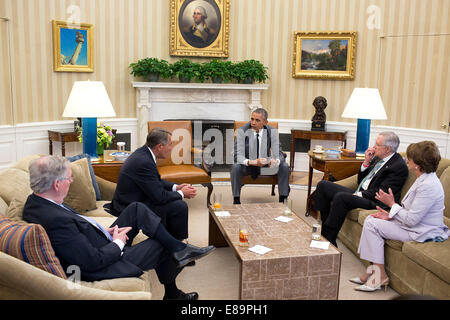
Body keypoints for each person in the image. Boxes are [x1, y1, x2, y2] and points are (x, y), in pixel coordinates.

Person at [22, 155, 214, 300]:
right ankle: (174, 288)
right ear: (57, 184)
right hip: (105, 263)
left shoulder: (38, 202)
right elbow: (91, 262)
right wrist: (118, 243)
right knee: (161, 243)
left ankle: (181, 251)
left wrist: (106, 232)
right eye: (69, 179)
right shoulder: (55, 220)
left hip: (98, 241)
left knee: (137, 209)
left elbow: (77, 231)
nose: (71, 183)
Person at [351, 141, 449, 292]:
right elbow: (411, 211)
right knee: (372, 219)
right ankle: (372, 271)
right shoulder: (423, 179)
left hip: (422, 230)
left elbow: (412, 220)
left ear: (417, 164)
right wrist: (390, 216)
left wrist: (391, 204)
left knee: (372, 224)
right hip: (414, 225)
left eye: (409, 157)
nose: (406, 159)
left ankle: (380, 276)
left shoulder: (429, 186)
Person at [314, 131, 409, 247]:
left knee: (341, 197)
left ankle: (330, 239)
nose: (374, 147)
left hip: (376, 201)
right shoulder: (378, 158)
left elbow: (381, 193)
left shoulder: (398, 166)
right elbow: (362, 182)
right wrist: (366, 162)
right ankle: (325, 229)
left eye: (377, 145)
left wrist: (358, 195)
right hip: (364, 193)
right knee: (323, 185)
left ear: (388, 149)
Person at [111, 128, 197, 242]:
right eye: (170, 145)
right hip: (128, 207)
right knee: (178, 206)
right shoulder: (144, 162)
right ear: (160, 146)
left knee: (176, 204)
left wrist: (176, 187)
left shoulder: (144, 153)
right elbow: (160, 197)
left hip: (137, 198)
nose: (171, 148)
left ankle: (174, 243)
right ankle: (177, 246)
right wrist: (182, 193)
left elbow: (155, 181)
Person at [231, 108, 290, 204]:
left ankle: (282, 200)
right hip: (248, 167)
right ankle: (236, 200)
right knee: (235, 166)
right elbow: (237, 155)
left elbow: (279, 152)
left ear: (265, 122)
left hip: (265, 167)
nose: (253, 123)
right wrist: (252, 162)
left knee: (284, 166)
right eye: (252, 119)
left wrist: (275, 161)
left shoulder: (272, 131)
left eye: (257, 120)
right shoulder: (242, 131)